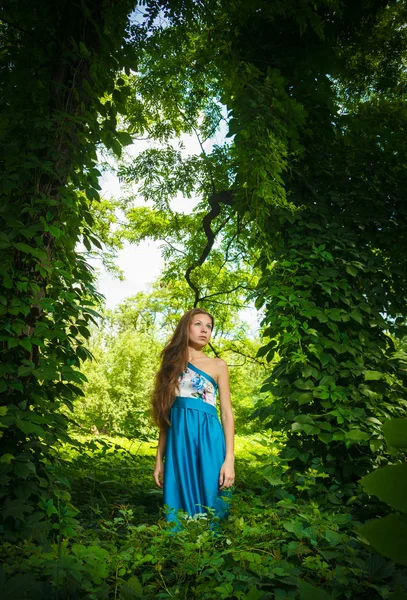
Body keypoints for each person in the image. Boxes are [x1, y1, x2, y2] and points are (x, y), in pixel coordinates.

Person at [151, 308, 235, 533]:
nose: (204, 330)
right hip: (179, 441)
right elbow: (164, 417)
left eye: (208, 327)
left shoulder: (218, 365)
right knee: (178, 501)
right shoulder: (171, 365)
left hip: (209, 439)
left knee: (210, 494)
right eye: (198, 324)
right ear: (185, 327)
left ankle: (208, 550)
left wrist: (229, 459)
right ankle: (180, 555)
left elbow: (226, 413)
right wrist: (159, 459)